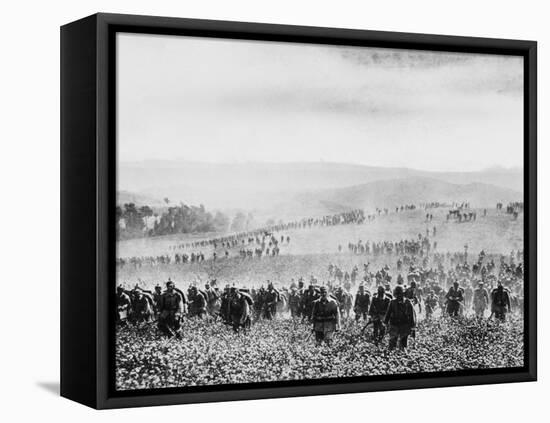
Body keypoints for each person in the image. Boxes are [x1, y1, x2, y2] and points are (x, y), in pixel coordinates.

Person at [384, 285, 416, 350]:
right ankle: (391, 354)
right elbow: (388, 313)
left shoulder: (407, 302)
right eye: (397, 294)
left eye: (400, 294)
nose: (398, 296)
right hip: (394, 324)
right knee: (392, 342)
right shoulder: (392, 302)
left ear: (402, 294)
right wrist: (385, 323)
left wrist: (412, 326)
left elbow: (412, 314)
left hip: (404, 325)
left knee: (403, 343)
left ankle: (402, 354)